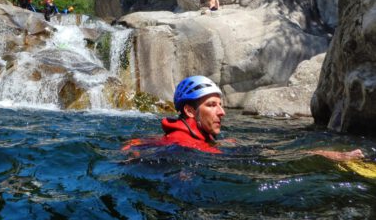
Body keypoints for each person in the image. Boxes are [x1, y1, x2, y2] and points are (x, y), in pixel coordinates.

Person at [124, 76, 369, 164]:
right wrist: (329, 156)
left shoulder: (193, 138)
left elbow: (137, 143)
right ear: (189, 111)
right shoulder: (186, 145)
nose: (222, 112)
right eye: (212, 105)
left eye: (221, 104)